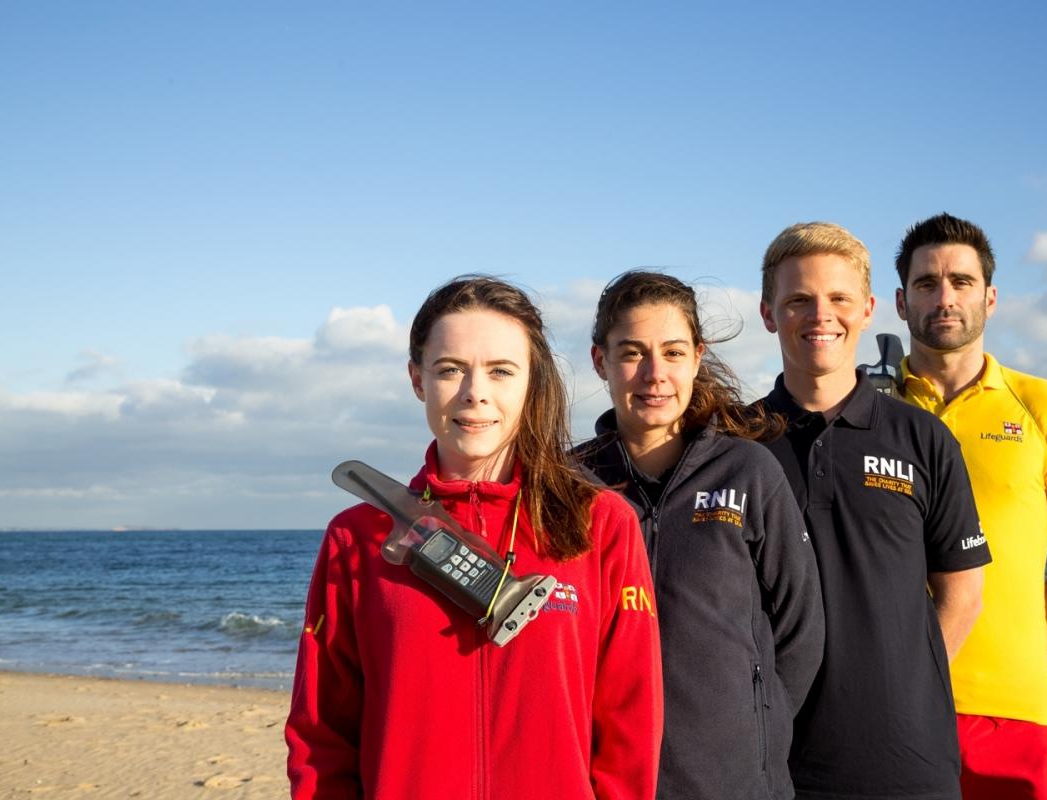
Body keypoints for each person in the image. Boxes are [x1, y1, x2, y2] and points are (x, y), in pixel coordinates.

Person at [285, 276, 664, 800]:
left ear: (531, 381)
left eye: (501, 371)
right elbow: (320, 733)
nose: (475, 392)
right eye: (449, 370)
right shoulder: (356, 538)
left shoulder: (600, 524)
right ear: (417, 379)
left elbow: (630, 721)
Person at [755, 222, 992, 799]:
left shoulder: (924, 439)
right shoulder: (736, 443)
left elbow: (963, 594)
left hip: (906, 762)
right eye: (798, 300)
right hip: (765, 758)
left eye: (838, 299)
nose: (820, 315)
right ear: (768, 313)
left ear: (866, 310)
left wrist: (898, 691)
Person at [576, 270, 824, 800]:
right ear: (601, 361)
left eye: (671, 352)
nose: (654, 374)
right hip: (605, 779)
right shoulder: (571, 485)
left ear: (696, 356)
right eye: (631, 353)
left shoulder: (748, 472)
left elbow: (801, 630)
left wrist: (755, 722)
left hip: (735, 779)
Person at [895, 213, 1047, 799]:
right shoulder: (870, 411)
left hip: (1017, 711)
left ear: (990, 298)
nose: (945, 298)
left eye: (961, 282)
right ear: (898, 301)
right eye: (926, 283)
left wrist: (1022, 657)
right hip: (890, 705)